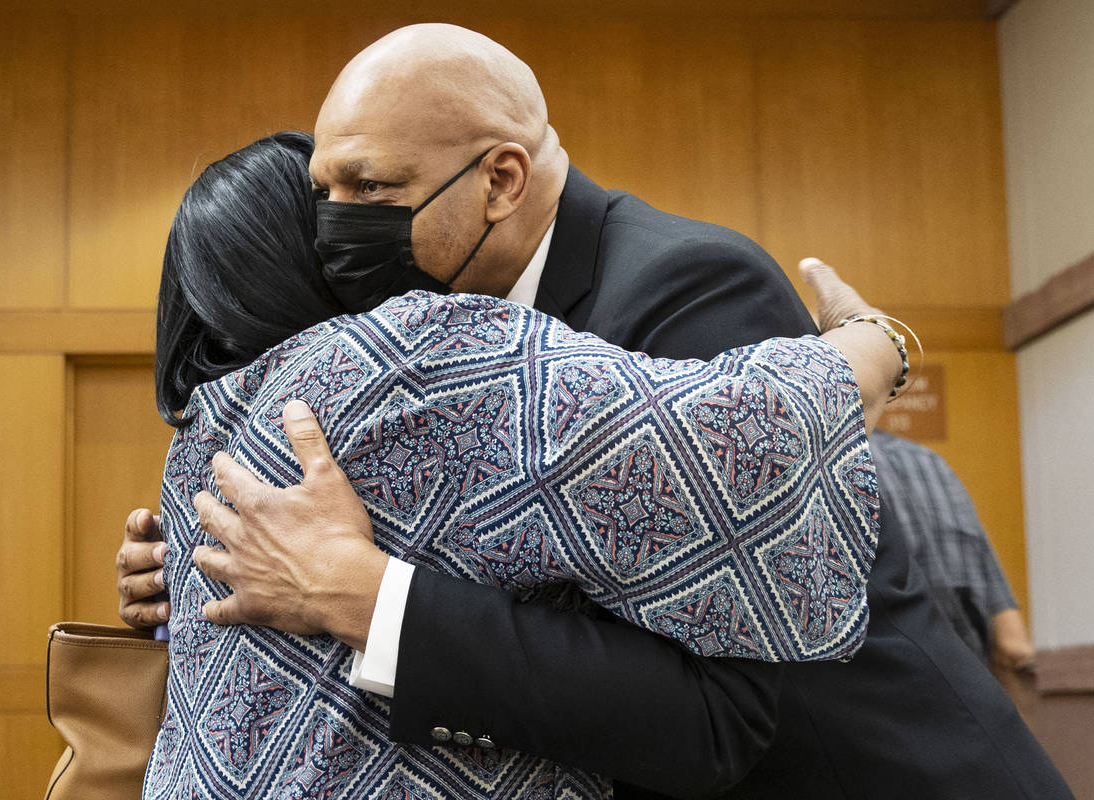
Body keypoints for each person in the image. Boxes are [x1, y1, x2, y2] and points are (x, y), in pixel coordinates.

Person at [118, 24, 1072, 799]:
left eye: (370, 190)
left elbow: (726, 695)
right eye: (322, 194)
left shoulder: (680, 284)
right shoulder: (419, 337)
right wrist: (207, 560)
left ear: (500, 180)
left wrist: (878, 344)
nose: (334, 233)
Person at [143, 131, 900, 799]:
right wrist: (872, 343)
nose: (354, 219)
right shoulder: (413, 351)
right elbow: (742, 429)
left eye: (366, 189)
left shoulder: (199, 441)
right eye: (334, 201)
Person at [869, 428, 1038, 713]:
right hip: (972, 718)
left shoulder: (818, 466)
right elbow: (1014, 648)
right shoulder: (930, 463)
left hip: (877, 717)